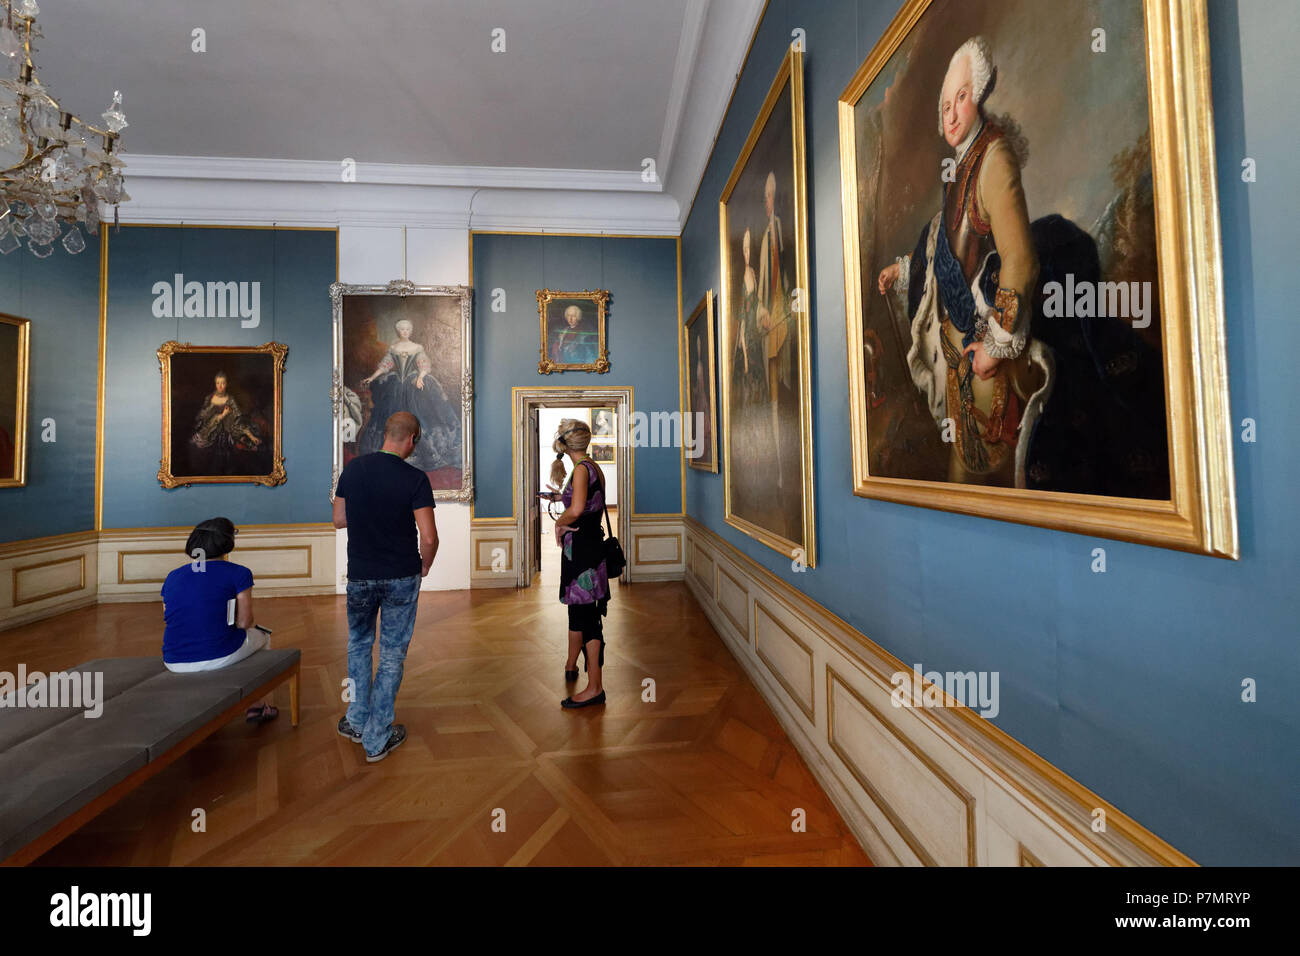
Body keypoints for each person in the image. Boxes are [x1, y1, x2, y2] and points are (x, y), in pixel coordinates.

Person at [876, 36, 1050, 487]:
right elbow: (946, 237)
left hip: (985, 370)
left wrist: (995, 346)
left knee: (989, 494)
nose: (950, 113)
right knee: (962, 490)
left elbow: (1021, 260)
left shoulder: (994, 158)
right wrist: (903, 269)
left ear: (981, 95)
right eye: (944, 104)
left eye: (962, 98)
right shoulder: (963, 162)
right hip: (958, 368)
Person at [333, 411, 438, 762]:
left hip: (360, 574)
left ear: (385, 434)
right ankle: (377, 737)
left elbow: (338, 520)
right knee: (392, 654)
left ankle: (357, 720)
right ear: (411, 439)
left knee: (359, 644)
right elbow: (430, 536)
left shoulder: (353, 469)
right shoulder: (415, 478)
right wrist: (425, 564)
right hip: (401, 576)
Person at [161, 517, 277, 723]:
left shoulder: (173, 576)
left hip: (173, 659)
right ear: (228, 542)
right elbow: (244, 623)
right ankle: (257, 705)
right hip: (217, 655)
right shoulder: (238, 573)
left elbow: (169, 616)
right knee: (263, 636)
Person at [551, 418, 610, 709]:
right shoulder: (591, 466)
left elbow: (576, 510)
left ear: (564, 442)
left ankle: (595, 688)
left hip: (583, 552)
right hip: (588, 549)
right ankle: (575, 667)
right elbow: (586, 506)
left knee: (587, 617)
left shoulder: (580, 470)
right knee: (582, 611)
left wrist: (559, 523)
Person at [357, 319, 459, 473]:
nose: (405, 332)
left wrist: (420, 377)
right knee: (388, 416)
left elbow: (423, 365)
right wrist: (372, 377)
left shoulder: (417, 347)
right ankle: (391, 453)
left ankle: (421, 453)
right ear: (398, 331)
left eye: (407, 329)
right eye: (402, 329)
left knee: (419, 416)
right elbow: (385, 366)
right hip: (396, 385)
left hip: (414, 384)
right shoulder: (394, 348)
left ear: (410, 331)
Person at [189, 371, 262, 474]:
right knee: (211, 465)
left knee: (230, 463)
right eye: (218, 383)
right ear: (215, 384)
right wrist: (219, 412)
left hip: (228, 434)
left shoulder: (230, 399)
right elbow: (202, 416)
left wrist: (250, 435)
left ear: (226, 384)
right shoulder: (210, 398)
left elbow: (237, 418)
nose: (220, 386)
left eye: (223, 383)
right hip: (210, 435)